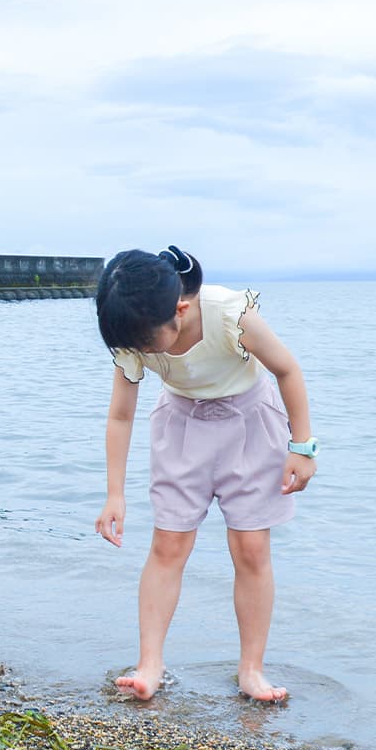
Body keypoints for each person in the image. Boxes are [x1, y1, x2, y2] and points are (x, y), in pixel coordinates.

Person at [94, 245, 316, 703]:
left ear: (181, 309)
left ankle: (251, 670)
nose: (140, 353)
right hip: (181, 429)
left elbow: (287, 370)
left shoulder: (229, 315)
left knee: (251, 548)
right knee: (168, 543)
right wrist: (115, 493)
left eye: (147, 344)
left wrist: (302, 447)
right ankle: (149, 664)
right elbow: (120, 415)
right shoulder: (134, 335)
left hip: (251, 426)